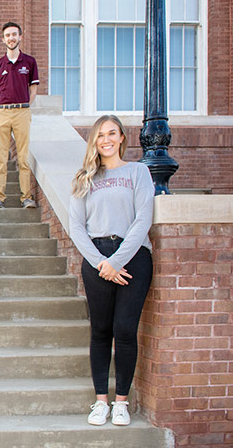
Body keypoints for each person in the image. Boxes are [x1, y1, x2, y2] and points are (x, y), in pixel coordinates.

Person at [68, 115, 154, 427]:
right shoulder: (84, 177)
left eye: (112, 133)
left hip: (133, 257)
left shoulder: (138, 172)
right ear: (95, 141)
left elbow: (143, 219)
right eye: (100, 135)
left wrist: (117, 262)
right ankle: (101, 402)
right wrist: (101, 263)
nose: (106, 139)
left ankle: (121, 403)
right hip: (97, 258)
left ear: (121, 138)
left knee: (126, 330)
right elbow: (76, 227)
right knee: (101, 331)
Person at [0, 21, 40, 209]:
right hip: (3, 112)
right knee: (1, 158)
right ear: (3, 39)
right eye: (8, 35)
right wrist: (4, 108)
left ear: (20, 37)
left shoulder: (30, 62)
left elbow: (33, 90)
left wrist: (25, 106)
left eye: (14, 34)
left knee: (23, 158)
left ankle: (26, 197)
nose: (11, 38)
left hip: (22, 112)